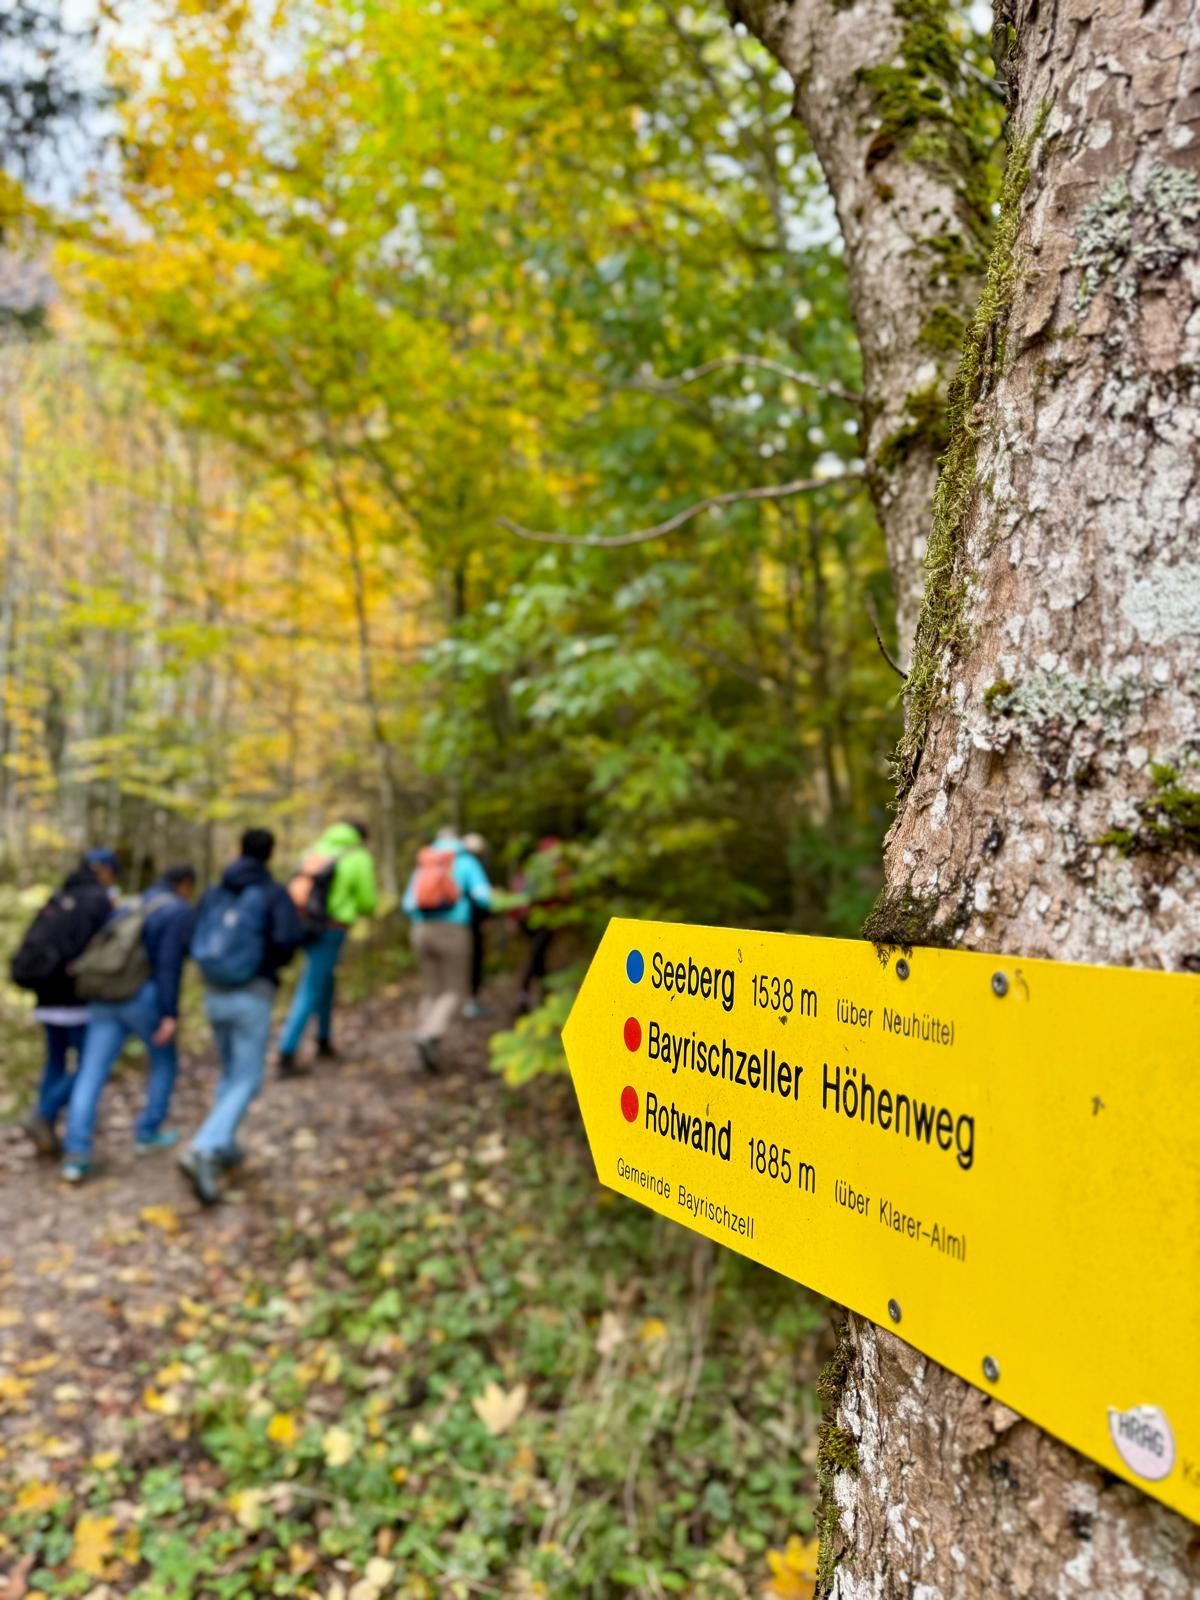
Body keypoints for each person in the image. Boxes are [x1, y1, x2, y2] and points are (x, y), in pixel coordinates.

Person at [180, 828, 304, 1206]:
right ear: (271, 853)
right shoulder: (271, 893)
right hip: (253, 994)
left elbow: (193, 934)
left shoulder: (216, 890)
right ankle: (206, 1147)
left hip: (214, 994)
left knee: (230, 1072)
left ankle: (226, 1145)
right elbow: (287, 940)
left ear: (239, 850)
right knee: (247, 1079)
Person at [60, 863, 197, 1184]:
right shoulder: (174, 911)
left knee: (90, 1070)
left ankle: (76, 1152)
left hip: (105, 996)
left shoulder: (130, 904)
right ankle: (148, 1131)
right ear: (185, 884)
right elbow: (168, 965)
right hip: (141, 997)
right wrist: (169, 1013)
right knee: (163, 1061)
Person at [15, 848, 119, 1156]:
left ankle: (45, 1132)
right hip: (77, 999)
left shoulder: (59, 897)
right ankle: (44, 1114)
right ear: (104, 871)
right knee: (89, 1065)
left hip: (46, 997)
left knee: (56, 1063)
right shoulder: (98, 900)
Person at [277, 819, 376, 1075]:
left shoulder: (314, 850)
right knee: (312, 984)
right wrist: (355, 907)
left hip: (305, 925)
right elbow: (368, 901)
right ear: (361, 837)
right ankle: (286, 1052)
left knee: (324, 980)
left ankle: (324, 1039)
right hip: (332, 928)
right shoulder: (358, 857)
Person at [403, 826, 492, 1073]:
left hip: (420, 930)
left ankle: (424, 1036)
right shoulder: (465, 861)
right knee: (454, 989)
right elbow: (484, 897)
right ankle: (429, 1035)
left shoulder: (425, 863)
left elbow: (408, 903)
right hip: (453, 930)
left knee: (432, 990)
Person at [513, 837, 569, 1018]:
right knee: (536, 957)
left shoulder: (532, 864)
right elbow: (565, 893)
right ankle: (531, 996)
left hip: (526, 918)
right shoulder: (557, 867)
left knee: (537, 956)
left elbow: (517, 890)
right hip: (545, 919)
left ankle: (535, 996)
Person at [461, 832, 492, 1021]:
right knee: (474, 962)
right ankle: (470, 1002)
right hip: (469, 924)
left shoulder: (452, 863)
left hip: (452, 925)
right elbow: (483, 898)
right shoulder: (472, 865)